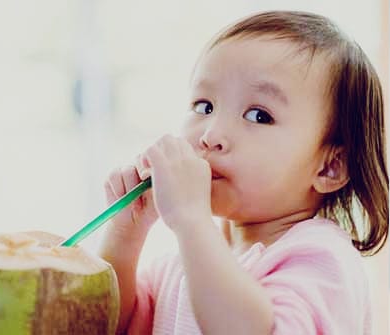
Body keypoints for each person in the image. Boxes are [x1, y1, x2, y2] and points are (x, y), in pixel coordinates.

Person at [99, 10, 388, 335]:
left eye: (258, 115)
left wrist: (192, 222)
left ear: (329, 166)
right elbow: (111, 325)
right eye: (204, 106)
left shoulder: (323, 260)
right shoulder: (188, 261)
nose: (211, 135)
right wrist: (126, 234)